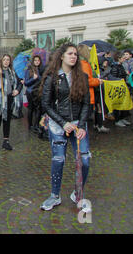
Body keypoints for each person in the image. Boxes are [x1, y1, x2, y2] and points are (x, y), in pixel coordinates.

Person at [39, 43, 91, 211]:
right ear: (62, 56)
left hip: (78, 124)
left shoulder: (82, 77)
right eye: (70, 53)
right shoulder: (52, 77)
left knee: (85, 159)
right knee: (58, 160)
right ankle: (55, 195)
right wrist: (63, 123)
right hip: (57, 125)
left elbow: (86, 104)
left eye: (75, 54)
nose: (74, 56)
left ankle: (78, 194)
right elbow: (46, 104)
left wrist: (81, 125)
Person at [0, 54, 22, 151]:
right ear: (1, 61)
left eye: (8, 60)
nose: (6, 61)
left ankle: (6, 141)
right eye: (4, 60)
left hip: (9, 100)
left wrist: (17, 90)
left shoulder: (12, 72)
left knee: (7, 121)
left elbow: (19, 83)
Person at [77, 45, 109, 134]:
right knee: (83, 122)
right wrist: (98, 81)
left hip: (82, 93)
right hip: (87, 94)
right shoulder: (84, 64)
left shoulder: (79, 63)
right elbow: (87, 81)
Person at [110, 52, 131, 127]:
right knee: (117, 105)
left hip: (122, 86)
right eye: (123, 58)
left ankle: (121, 118)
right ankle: (117, 119)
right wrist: (120, 79)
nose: (124, 59)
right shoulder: (115, 67)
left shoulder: (120, 66)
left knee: (122, 104)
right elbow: (113, 77)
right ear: (119, 58)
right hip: (118, 88)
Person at [24, 55, 44, 134]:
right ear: (33, 61)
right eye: (35, 60)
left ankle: (36, 125)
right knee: (31, 109)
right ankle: (30, 125)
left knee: (38, 109)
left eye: (38, 60)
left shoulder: (40, 69)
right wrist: (33, 78)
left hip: (38, 92)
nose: (37, 62)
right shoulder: (29, 70)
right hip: (31, 92)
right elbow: (26, 83)